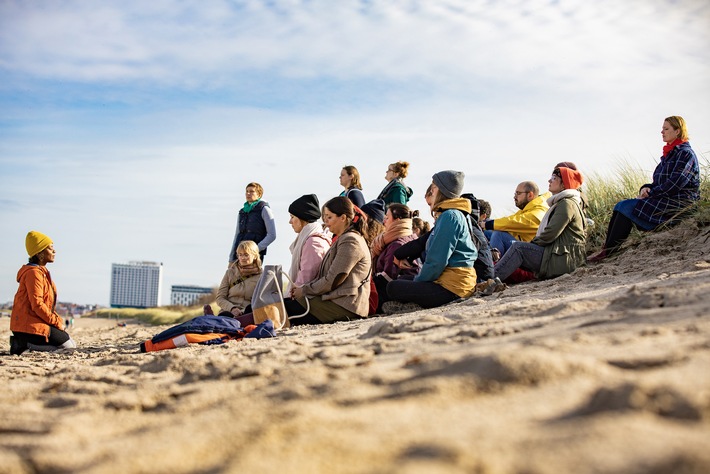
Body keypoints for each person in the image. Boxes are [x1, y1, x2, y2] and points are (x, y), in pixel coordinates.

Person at [588, 116, 700, 262]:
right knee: (620, 205)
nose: (662, 132)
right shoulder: (668, 155)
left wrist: (652, 193)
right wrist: (646, 188)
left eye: (666, 129)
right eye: (662, 129)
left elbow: (676, 183)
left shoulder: (685, 153)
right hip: (664, 197)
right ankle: (607, 249)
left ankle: (608, 251)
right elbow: (658, 182)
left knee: (625, 207)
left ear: (677, 131)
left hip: (680, 202)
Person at [387, 171, 478, 309]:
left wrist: (418, 281)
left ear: (442, 190)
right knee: (403, 280)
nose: (431, 190)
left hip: (453, 287)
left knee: (393, 287)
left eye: (434, 187)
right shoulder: (454, 214)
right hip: (456, 281)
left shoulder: (450, 216)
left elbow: (437, 262)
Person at [494, 166, 587, 281]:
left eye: (554, 178)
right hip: (561, 256)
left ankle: (490, 279)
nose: (549, 181)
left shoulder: (567, 204)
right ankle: (493, 278)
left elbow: (550, 233)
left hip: (564, 260)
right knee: (517, 247)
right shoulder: (563, 202)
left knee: (519, 248)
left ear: (564, 184)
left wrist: (532, 245)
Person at [10, 231, 77, 355]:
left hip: (36, 321)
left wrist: (58, 321)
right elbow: (38, 304)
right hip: (28, 325)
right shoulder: (33, 273)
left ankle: (28, 344)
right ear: (40, 253)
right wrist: (56, 323)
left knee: (72, 344)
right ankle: (22, 345)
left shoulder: (42, 272)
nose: (54, 251)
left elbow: (48, 306)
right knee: (68, 348)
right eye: (50, 248)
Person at [372, 204, 420, 312]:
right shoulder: (410, 237)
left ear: (397, 220)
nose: (384, 221)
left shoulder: (397, 244)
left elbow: (388, 277)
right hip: (409, 286)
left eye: (387, 217)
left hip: (397, 290)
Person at [483, 181, 549, 256]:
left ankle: (492, 265)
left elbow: (513, 222)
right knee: (486, 232)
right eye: (515, 193)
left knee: (499, 234)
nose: (515, 197)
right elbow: (508, 220)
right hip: (524, 245)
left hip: (532, 253)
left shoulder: (539, 212)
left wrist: (488, 224)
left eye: (518, 193)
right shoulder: (527, 209)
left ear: (530, 195)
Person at [286, 194, 332, 288]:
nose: (290, 221)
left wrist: (291, 295)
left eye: (292, 217)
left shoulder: (313, 242)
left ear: (301, 218)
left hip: (306, 298)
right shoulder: (309, 238)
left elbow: (306, 280)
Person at [212, 240, 263, 317]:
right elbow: (220, 298)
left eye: (246, 255)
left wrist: (243, 312)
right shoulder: (230, 273)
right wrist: (232, 308)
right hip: (228, 312)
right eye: (240, 255)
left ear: (255, 256)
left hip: (248, 313)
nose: (242, 258)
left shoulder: (261, 276)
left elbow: (261, 301)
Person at [228, 182, 276, 263]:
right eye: (247, 191)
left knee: (253, 275)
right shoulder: (242, 211)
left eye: (252, 191)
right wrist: (231, 258)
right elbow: (237, 235)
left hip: (255, 255)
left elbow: (272, 235)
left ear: (259, 194)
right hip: (239, 254)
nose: (248, 193)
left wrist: (255, 249)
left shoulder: (264, 209)